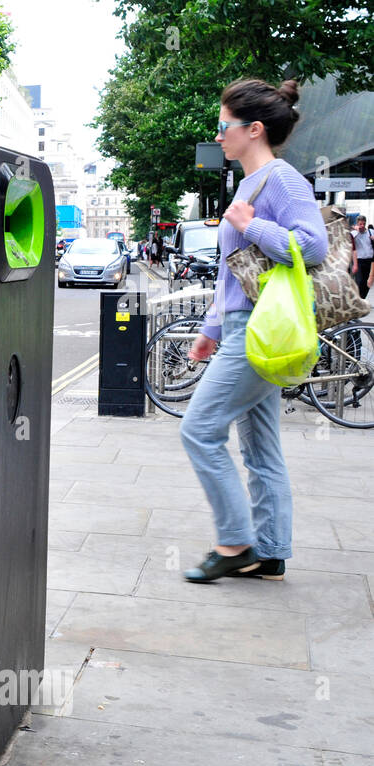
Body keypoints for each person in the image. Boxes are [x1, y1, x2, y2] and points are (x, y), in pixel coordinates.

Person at [179, 78, 327, 583]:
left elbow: (313, 248)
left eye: (224, 125)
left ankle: (236, 542)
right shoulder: (246, 185)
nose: (218, 135)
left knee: (198, 430)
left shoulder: (282, 181)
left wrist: (251, 225)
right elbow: (230, 271)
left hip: (261, 330)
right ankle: (269, 551)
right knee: (261, 446)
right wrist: (211, 328)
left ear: (254, 129)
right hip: (245, 324)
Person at [352, 215, 372, 300]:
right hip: (359, 260)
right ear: (357, 224)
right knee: (359, 281)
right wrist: (355, 230)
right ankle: (358, 298)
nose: (362, 226)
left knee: (367, 282)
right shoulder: (354, 233)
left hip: (369, 260)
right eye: (360, 224)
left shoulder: (370, 232)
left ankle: (362, 298)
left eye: (364, 224)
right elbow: (350, 243)